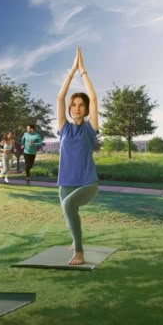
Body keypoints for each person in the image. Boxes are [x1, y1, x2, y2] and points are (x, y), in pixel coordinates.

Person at [56, 47, 99, 265]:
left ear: (87, 109)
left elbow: (93, 96)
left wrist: (82, 70)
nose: (76, 108)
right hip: (65, 182)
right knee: (68, 213)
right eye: (74, 105)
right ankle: (75, 240)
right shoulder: (63, 128)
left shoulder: (90, 129)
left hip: (87, 183)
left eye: (81, 105)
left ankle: (79, 252)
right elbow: (60, 97)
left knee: (68, 207)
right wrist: (71, 70)